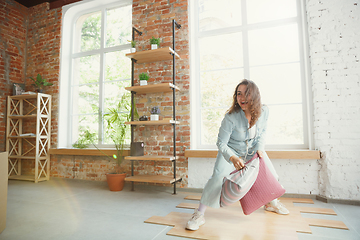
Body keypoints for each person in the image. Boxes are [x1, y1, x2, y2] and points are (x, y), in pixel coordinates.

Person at [186, 79, 289, 231]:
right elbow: (221, 143)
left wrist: (260, 148)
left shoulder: (264, 111)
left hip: (253, 150)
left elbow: (263, 132)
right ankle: (199, 214)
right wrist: (232, 157)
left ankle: (271, 203)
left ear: (254, 95)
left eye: (246, 94)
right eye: (238, 94)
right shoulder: (230, 117)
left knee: (270, 174)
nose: (241, 98)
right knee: (216, 178)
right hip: (232, 152)